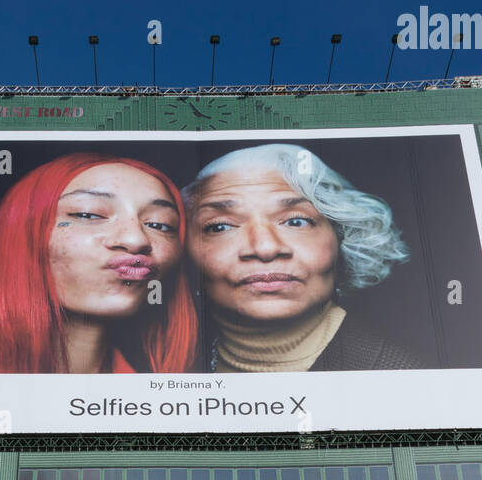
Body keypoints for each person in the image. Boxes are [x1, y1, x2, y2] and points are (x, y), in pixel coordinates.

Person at [0, 152, 198, 375]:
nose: (136, 239)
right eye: (88, 214)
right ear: (20, 234)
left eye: (160, 224)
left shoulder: (161, 410)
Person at [182, 143, 427, 373]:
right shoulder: (169, 367)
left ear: (341, 239)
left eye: (296, 221)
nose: (265, 248)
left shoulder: (407, 379)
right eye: (220, 227)